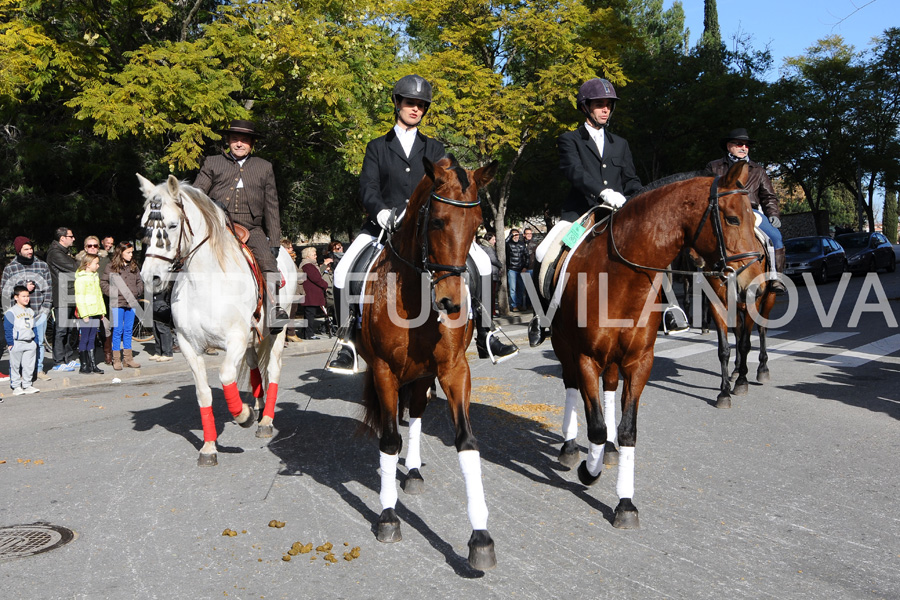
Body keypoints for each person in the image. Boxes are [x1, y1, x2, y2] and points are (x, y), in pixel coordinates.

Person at [328, 74, 516, 372]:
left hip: (429, 228)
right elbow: (368, 187)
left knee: (480, 263)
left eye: (421, 105)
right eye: (410, 103)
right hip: (383, 225)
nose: (416, 109)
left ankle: (486, 331)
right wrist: (379, 212)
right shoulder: (377, 147)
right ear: (398, 104)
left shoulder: (434, 148)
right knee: (342, 271)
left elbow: (452, 183)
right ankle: (346, 340)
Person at [529, 78, 643, 346]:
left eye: (609, 105)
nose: (605, 110)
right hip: (581, 217)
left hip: (616, 216)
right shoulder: (569, 140)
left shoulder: (621, 144)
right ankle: (541, 315)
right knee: (544, 252)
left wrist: (639, 198)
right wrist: (602, 193)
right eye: (599, 105)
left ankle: (668, 311)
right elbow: (574, 172)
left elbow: (631, 178)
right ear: (585, 107)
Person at [193, 119, 290, 331]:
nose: (239, 144)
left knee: (268, 263)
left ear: (252, 144)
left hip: (251, 227)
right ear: (228, 141)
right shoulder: (212, 162)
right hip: (218, 225)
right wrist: (211, 204)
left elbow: (272, 206)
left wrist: (274, 240)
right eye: (235, 139)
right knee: (189, 255)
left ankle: (275, 309)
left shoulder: (264, 167)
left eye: (244, 140)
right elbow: (197, 194)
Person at [705, 128, 786, 293]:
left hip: (751, 212)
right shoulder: (713, 167)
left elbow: (769, 197)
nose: (744, 147)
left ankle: (776, 278)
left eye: (747, 145)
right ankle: (697, 279)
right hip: (722, 212)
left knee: (776, 237)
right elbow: (705, 192)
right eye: (739, 144)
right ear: (729, 146)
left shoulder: (758, 170)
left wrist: (773, 215)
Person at [1, 237, 53, 379]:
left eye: (31, 248)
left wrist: (46, 309)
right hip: (19, 314)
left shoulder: (41, 265)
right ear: (19, 251)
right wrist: (24, 288)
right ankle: (21, 372)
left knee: (39, 342)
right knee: (20, 343)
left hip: (38, 311)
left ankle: (39, 369)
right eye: (26, 249)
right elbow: (4, 291)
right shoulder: (10, 268)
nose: (30, 251)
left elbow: (48, 289)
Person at [101, 242, 144, 370]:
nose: (131, 255)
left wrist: (138, 291)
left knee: (128, 330)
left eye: (132, 252)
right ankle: (116, 359)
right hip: (117, 303)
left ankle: (128, 358)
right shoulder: (111, 267)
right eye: (128, 252)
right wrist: (114, 292)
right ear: (121, 253)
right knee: (118, 330)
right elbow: (103, 283)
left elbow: (139, 281)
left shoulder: (134, 267)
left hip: (131, 302)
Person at [46, 226, 80, 370]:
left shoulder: (64, 252)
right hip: (62, 295)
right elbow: (74, 268)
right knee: (61, 329)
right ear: (62, 238)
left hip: (70, 293)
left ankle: (68, 357)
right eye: (71, 236)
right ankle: (58, 361)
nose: (73, 239)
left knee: (69, 328)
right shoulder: (55, 253)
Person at [76, 236, 113, 365]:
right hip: (86, 306)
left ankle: (105, 355)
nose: (92, 248)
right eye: (90, 246)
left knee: (105, 328)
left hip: (101, 301)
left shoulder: (105, 260)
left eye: (95, 245)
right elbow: (79, 293)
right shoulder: (80, 265)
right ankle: (86, 364)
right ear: (85, 247)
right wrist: (83, 312)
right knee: (86, 335)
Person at [4, 285, 39, 395]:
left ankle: (27, 385)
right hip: (17, 342)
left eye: (27, 296)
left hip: (29, 342)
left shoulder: (30, 311)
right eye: (23, 296)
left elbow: (34, 327)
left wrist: (36, 342)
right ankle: (16, 386)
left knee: (29, 365)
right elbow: (8, 328)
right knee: (15, 365)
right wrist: (10, 343)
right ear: (16, 297)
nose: (26, 298)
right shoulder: (11, 312)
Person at [73, 254, 105, 374]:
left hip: (95, 311)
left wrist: (101, 311)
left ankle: (92, 364)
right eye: (96, 263)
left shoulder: (95, 277)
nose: (98, 265)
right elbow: (79, 298)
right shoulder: (81, 279)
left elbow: (99, 296)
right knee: (85, 338)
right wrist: (84, 314)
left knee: (92, 338)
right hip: (86, 312)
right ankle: (84, 365)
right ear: (88, 264)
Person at [299, 247, 328, 340]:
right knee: (310, 315)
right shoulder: (308, 265)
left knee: (308, 314)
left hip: (311, 295)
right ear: (308, 256)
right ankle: (309, 334)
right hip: (310, 295)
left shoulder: (309, 265)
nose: (316, 256)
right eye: (314, 255)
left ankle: (305, 333)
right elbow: (316, 278)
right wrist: (325, 285)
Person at [479, 233, 502, 317]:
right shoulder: (489, 249)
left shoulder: (481, 247)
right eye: (493, 240)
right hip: (492, 273)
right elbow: (493, 260)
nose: (494, 242)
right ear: (488, 240)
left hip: (485, 274)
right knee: (491, 295)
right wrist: (501, 265)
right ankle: (492, 312)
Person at [505, 229, 527, 311]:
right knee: (513, 289)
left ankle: (519, 304)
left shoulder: (522, 244)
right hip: (512, 269)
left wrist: (525, 266)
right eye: (514, 235)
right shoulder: (508, 244)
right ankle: (514, 305)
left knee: (521, 288)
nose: (516, 236)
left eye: (517, 235)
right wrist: (510, 236)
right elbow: (504, 244)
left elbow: (526, 256)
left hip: (521, 269)